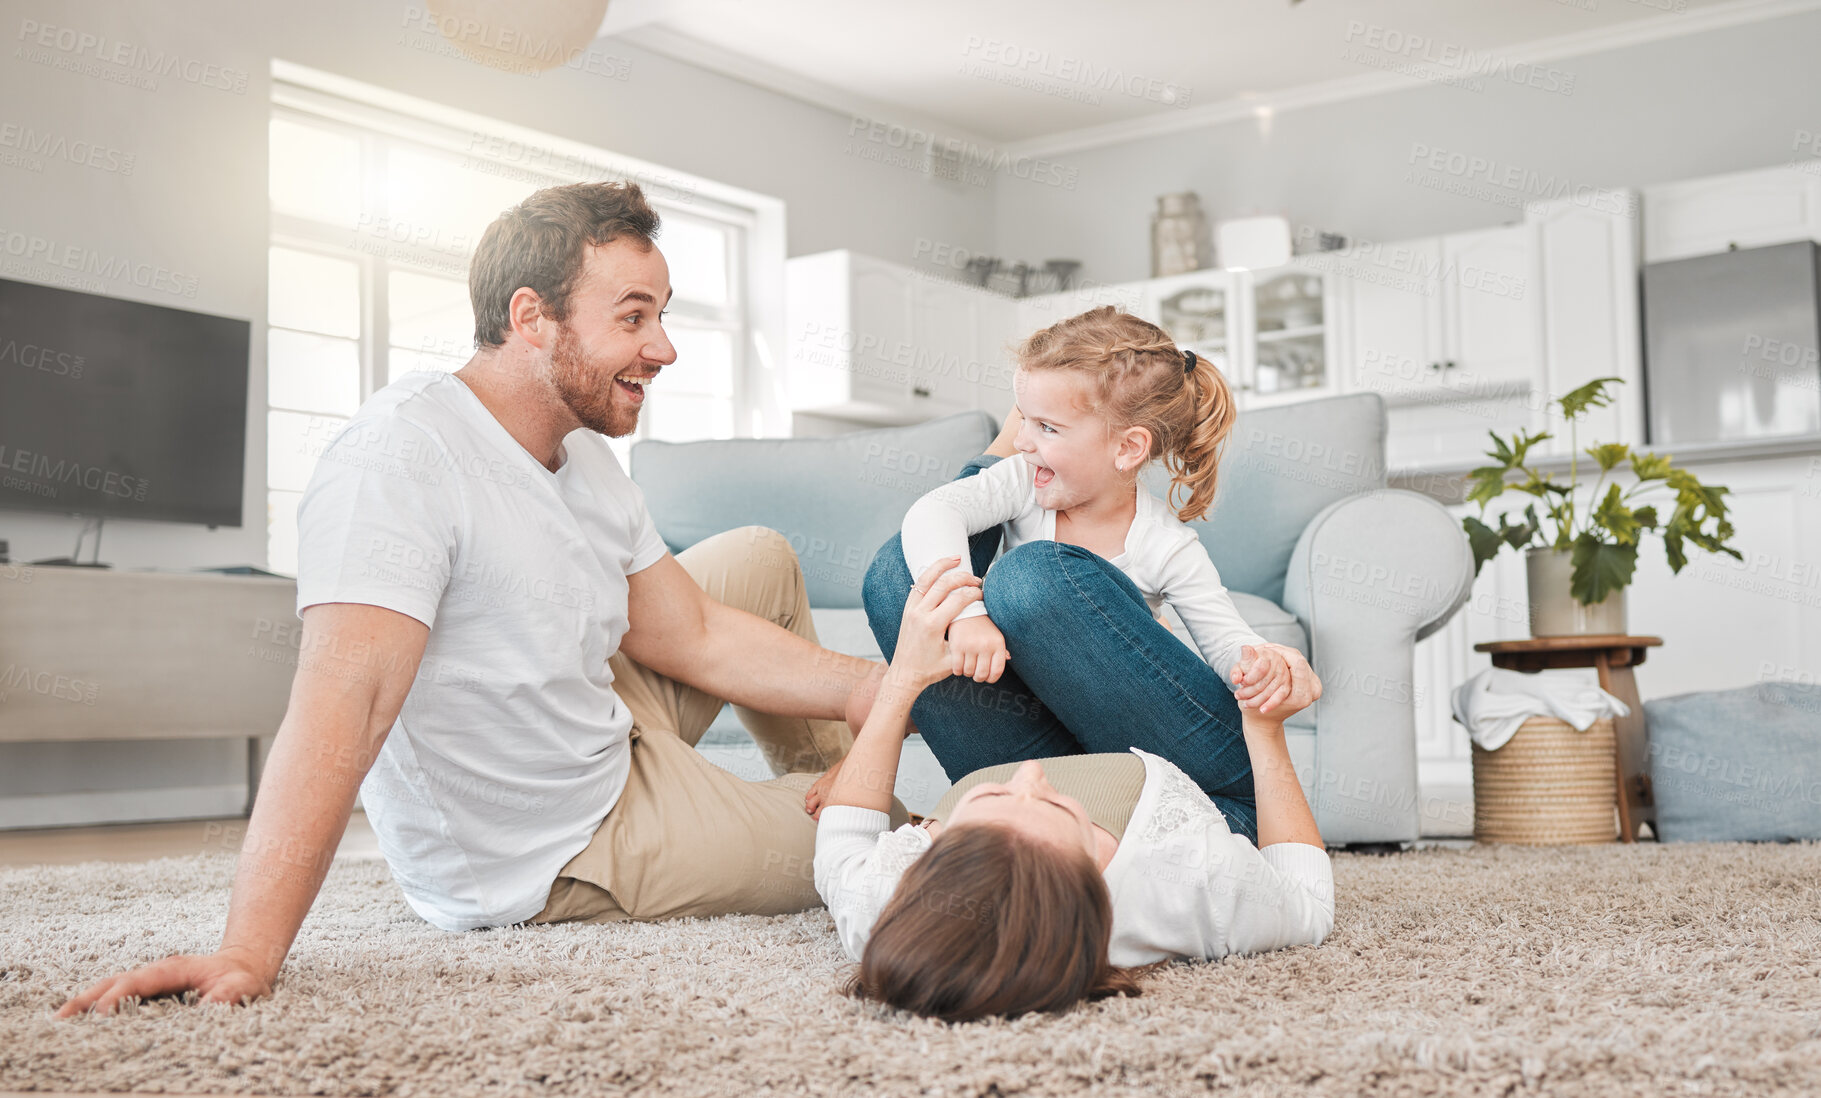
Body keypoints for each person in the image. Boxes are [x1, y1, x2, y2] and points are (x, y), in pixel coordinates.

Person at [58, 181, 897, 1017]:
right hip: (563, 843)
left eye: (663, 315)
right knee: (889, 832)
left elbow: (697, 631)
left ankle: (837, 771)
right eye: (634, 317)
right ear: (532, 318)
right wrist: (247, 950)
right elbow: (344, 709)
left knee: (758, 556)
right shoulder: (397, 459)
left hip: (602, 719)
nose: (665, 349)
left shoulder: (583, 448)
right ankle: (856, 806)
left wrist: (873, 694)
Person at [807, 306, 1318, 847]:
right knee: (907, 580)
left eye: (1046, 427)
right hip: (1059, 778)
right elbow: (933, 514)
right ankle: (1042, 822)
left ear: (1128, 448)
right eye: (1022, 420)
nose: (1023, 441)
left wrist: (1258, 666)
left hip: (1187, 786)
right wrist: (968, 615)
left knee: (1028, 578)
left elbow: (1225, 640)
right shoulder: (1024, 481)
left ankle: (1177, 819)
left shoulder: (1166, 544)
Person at [814, 559, 1333, 1023]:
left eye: (992, 800)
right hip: (1201, 783)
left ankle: (1005, 464)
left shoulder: (888, 908)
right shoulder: (1188, 883)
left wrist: (903, 679)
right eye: (1058, 807)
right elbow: (1310, 904)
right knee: (1034, 580)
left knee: (900, 580)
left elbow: (844, 838)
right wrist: (1266, 728)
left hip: (1022, 745)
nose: (1030, 777)